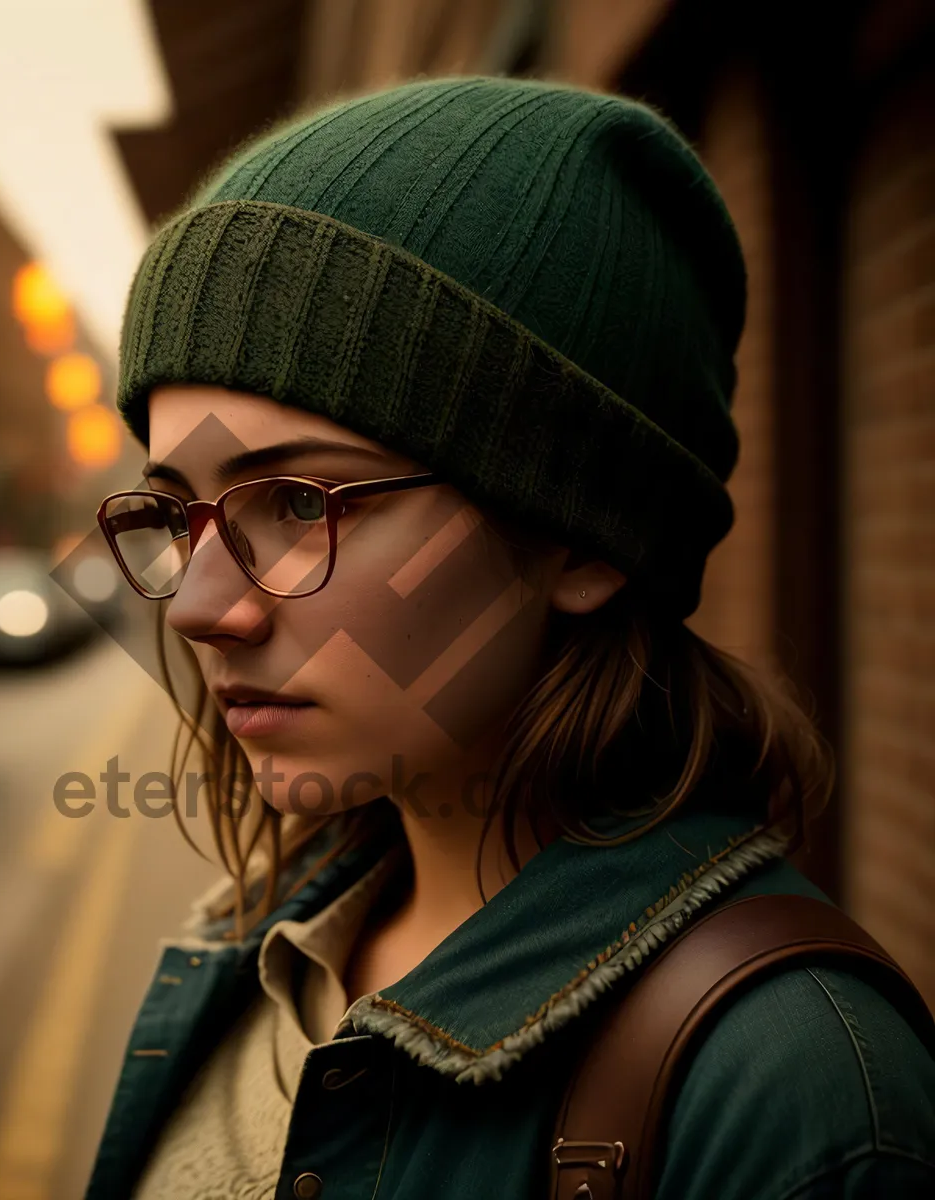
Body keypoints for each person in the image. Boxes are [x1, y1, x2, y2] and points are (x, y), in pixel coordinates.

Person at [86, 76, 935, 1199]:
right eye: (175, 513)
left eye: (296, 503)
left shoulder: (795, 1093)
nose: (197, 608)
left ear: (580, 539)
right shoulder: (256, 951)